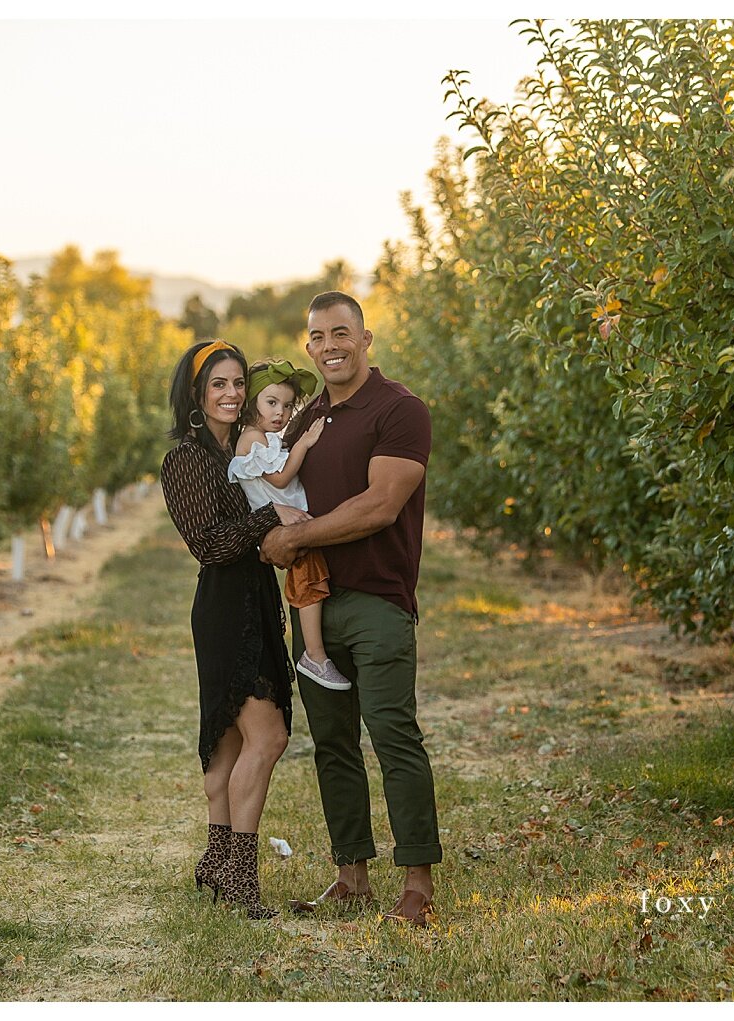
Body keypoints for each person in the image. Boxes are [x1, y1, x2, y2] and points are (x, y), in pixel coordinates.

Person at [259, 291, 441, 927]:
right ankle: (351, 875)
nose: (330, 345)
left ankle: (416, 880)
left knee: (393, 737)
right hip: (315, 604)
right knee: (333, 744)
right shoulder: (308, 413)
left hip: (378, 602)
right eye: (318, 336)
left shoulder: (400, 410)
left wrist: (295, 538)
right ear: (308, 347)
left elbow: (379, 506)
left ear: (366, 340)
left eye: (342, 333)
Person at [159, 338, 306, 919]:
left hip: (255, 597)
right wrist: (271, 516)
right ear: (197, 394)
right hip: (225, 607)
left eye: (238, 383)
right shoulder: (186, 461)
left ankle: (216, 864)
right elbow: (211, 545)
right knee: (266, 738)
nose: (231, 393)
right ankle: (243, 882)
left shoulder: (250, 451)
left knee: (231, 744)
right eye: (218, 384)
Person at [227, 358, 352, 692]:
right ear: (252, 402)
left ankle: (316, 651)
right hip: (275, 523)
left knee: (310, 570)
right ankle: (314, 654)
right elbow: (281, 479)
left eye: (286, 405)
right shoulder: (252, 438)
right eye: (271, 403)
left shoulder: (263, 435)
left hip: (284, 518)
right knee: (308, 573)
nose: (280, 412)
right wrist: (304, 444)